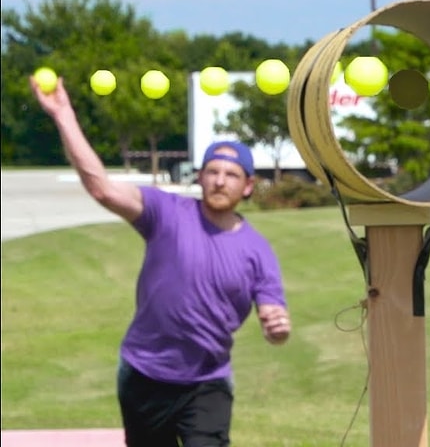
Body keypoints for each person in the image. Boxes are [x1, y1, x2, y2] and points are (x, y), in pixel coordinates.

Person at [31, 76, 292, 447]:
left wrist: (277, 328)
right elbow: (101, 188)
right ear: (200, 177)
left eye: (231, 175)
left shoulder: (258, 250)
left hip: (207, 382)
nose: (220, 181)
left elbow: (273, 314)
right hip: (145, 375)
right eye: (213, 171)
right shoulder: (165, 212)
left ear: (248, 186)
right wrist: (63, 114)